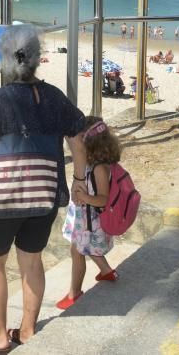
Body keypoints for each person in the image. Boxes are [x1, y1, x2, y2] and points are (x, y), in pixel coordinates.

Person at [0, 24, 88, 352]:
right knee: (31, 262)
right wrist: (78, 181)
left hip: (3, 197)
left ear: (6, 59)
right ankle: (29, 331)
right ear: (37, 58)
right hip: (44, 194)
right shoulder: (55, 97)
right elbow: (78, 140)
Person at [57, 117, 121, 309]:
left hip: (89, 221)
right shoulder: (89, 164)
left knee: (77, 252)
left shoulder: (99, 168)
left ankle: (74, 293)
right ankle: (106, 270)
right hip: (83, 218)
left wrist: (84, 198)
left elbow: (103, 199)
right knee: (86, 248)